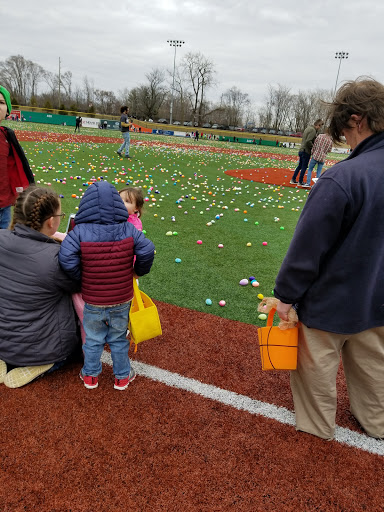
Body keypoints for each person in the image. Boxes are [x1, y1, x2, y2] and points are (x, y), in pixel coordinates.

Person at [274, 77, 384, 441]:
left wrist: (286, 296)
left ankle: (317, 436)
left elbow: (307, 250)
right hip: (378, 304)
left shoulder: (342, 178)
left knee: (315, 377)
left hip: (329, 306)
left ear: (357, 120)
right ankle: (376, 423)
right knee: (375, 375)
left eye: (345, 129)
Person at [58, 181, 155, 391]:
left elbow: (66, 258)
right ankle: (121, 377)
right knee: (119, 338)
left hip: (93, 298)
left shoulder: (80, 231)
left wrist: (82, 276)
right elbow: (147, 250)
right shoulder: (129, 228)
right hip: (122, 298)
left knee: (93, 338)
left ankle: (90, 376)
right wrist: (137, 271)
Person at [0, 186, 80, 388]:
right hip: (42, 348)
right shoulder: (55, 258)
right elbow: (78, 284)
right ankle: (44, 362)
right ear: (51, 222)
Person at [0, 85, 34, 228]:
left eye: (1, 102)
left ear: (7, 109)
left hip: (4, 206)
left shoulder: (7, 136)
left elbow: (17, 168)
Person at [290, 119, 324, 186]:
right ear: (318, 125)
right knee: (304, 167)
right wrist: (313, 147)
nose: (320, 128)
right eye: (320, 127)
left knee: (300, 166)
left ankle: (293, 179)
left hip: (301, 149)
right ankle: (300, 181)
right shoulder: (313, 130)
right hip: (306, 151)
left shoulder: (308, 128)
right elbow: (308, 141)